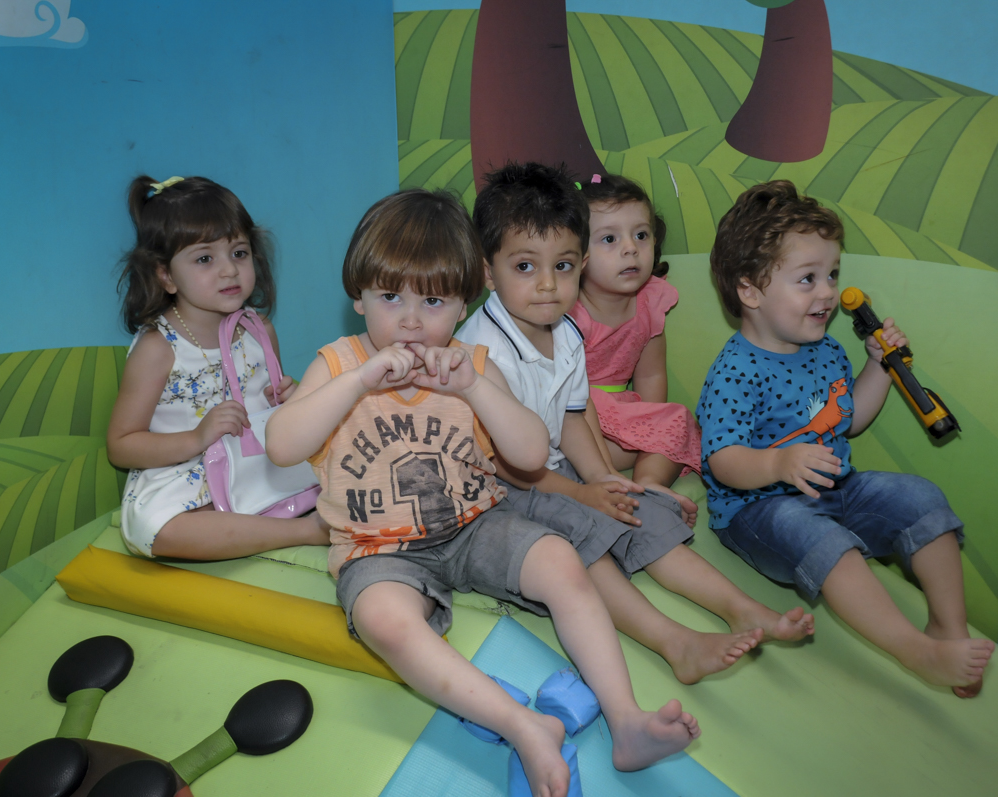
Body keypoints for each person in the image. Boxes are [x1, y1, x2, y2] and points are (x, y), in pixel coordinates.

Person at [264, 188, 699, 796]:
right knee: (384, 620)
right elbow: (282, 445)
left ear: (465, 301)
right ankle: (522, 725)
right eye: (391, 297)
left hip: (474, 523)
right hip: (378, 548)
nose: (411, 321)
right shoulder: (338, 365)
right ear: (358, 298)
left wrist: (475, 387)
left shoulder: (472, 361)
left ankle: (627, 722)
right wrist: (358, 382)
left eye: (434, 301)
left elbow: (524, 454)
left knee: (560, 560)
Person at [456, 163, 814, 687]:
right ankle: (676, 644)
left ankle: (743, 608)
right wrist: (582, 497)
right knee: (584, 539)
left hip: (550, 468)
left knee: (637, 508)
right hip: (493, 487)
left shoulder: (565, 332)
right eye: (526, 267)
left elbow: (575, 416)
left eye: (564, 266)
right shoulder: (483, 352)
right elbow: (506, 463)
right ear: (488, 272)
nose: (549, 286)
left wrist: (602, 477)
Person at [697, 180, 994, 697]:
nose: (828, 292)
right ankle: (914, 652)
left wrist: (878, 367)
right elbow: (723, 460)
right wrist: (776, 465)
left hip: (836, 486)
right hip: (758, 508)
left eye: (832, 274)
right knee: (824, 541)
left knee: (920, 497)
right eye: (807, 279)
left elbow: (849, 420)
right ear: (750, 291)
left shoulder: (828, 349)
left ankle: (948, 629)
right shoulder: (735, 371)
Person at [107, 175, 329, 560]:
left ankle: (261, 519)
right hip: (184, 472)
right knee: (155, 529)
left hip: (258, 463)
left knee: (350, 457)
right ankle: (302, 531)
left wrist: (292, 401)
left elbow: (274, 411)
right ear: (165, 275)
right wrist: (197, 437)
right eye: (205, 258)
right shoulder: (158, 348)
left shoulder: (259, 330)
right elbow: (121, 446)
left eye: (239, 253)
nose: (229, 270)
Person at [571, 174, 701, 526]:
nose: (630, 248)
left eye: (640, 235)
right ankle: (606, 480)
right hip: (577, 414)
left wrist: (651, 425)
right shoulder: (567, 309)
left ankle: (649, 482)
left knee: (681, 419)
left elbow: (651, 373)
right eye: (610, 239)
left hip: (623, 414)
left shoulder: (651, 301)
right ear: (576, 253)